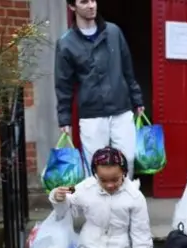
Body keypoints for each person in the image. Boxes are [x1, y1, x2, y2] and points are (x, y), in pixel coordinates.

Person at [55, 0, 144, 178]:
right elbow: (63, 85)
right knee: (95, 166)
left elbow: (128, 70)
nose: (91, 5)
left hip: (121, 108)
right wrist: (64, 119)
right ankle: (98, 206)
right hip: (92, 115)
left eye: (93, 0)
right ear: (72, 6)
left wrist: (138, 100)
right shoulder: (66, 43)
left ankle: (124, 204)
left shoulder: (113, 32)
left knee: (127, 160)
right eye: (84, 1)